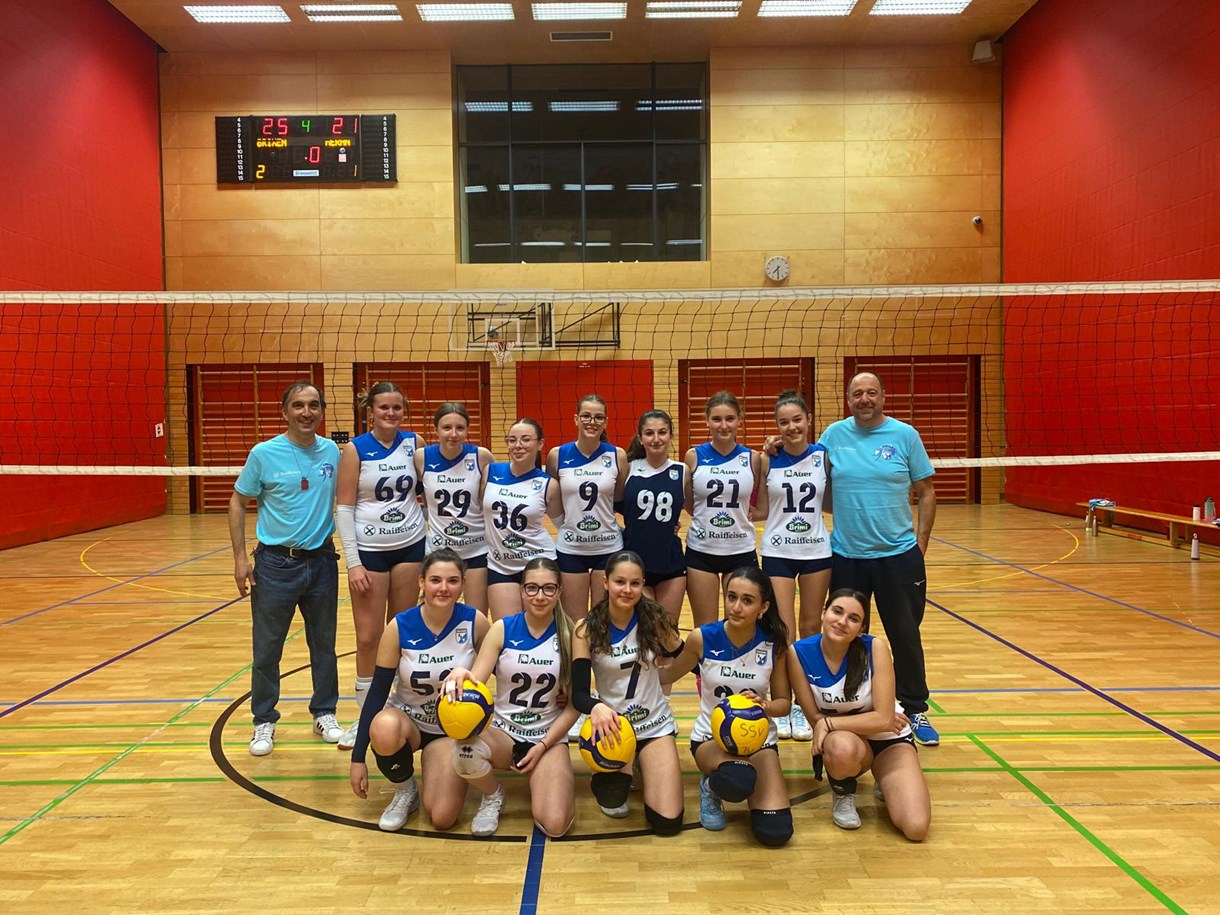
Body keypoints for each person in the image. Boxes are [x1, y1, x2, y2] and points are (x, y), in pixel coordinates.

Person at [818, 372, 939, 745]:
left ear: (883, 396)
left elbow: (926, 491)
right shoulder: (833, 436)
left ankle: (914, 708)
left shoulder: (905, 436)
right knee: (846, 635)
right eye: (857, 393)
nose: (865, 399)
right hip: (847, 556)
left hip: (898, 556)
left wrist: (920, 542)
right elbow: (811, 476)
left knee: (905, 635)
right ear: (848, 399)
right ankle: (852, 705)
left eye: (871, 392)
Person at [228, 381, 343, 757]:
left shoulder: (333, 452)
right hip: (275, 564)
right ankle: (264, 719)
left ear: (321, 411)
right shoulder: (263, 453)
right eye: (298, 405)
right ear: (285, 412)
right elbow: (237, 502)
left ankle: (324, 712)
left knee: (323, 645)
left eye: (313, 405)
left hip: (322, 562)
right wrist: (240, 558)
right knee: (267, 648)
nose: (306, 412)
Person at [347, 549, 491, 832]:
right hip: (408, 721)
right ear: (421, 581)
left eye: (452, 581)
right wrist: (357, 757)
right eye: (435, 580)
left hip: (451, 730)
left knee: (442, 818)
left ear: (463, 584)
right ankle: (405, 789)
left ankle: (437, 765)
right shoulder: (399, 626)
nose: (444, 588)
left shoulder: (475, 622)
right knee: (383, 727)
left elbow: (502, 667)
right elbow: (377, 692)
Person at [441, 557, 578, 837]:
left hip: (547, 736)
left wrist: (543, 745)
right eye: (532, 588)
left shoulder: (571, 634)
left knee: (555, 825)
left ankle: (545, 776)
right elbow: (476, 680)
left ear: (559, 592)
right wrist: (462, 673)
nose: (540, 596)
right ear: (521, 591)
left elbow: (575, 706)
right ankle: (493, 795)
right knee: (464, 750)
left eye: (548, 588)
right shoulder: (502, 629)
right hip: (503, 733)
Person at [662, 566, 793, 847]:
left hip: (759, 742)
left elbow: (784, 704)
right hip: (712, 741)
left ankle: (735, 778)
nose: (736, 607)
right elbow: (667, 675)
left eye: (747, 600)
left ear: (763, 607)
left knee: (775, 832)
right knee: (738, 779)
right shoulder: (703, 638)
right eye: (731, 597)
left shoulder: (774, 644)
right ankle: (712, 784)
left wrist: (766, 706)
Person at [787, 588, 930, 840]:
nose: (842, 622)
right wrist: (865, 722)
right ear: (823, 613)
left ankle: (884, 779)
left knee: (916, 828)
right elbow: (815, 719)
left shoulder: (875, 648)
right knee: (840, 746)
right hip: (848, 744)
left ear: (861, 629)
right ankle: (844, 792)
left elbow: (883, 720)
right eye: (837, 611)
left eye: (853, 618)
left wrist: (832, 723)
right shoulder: (798, 653)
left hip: (889, 740)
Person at [334, 381, 426, 749]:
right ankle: (365, 715)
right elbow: (344, 508)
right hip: (370, 552)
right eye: (384, 407)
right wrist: (353, 562)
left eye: (397, 407)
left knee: (401, 634)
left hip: (410, 548)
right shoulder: (355, 449)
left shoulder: (414, 443)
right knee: (369, 637)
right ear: (370, 411)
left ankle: (401, 706)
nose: (391, 413)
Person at [571, 550, 685, 836]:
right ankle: (628, 765)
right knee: (612, 798)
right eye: (620, 582)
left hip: (654, 725)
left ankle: (643, 764)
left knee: (667, 822)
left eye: (635, 583)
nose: (627, 590)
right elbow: (579, 694)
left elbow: (686, 656)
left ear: (643, 584)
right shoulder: (586, 628)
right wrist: (595, 707)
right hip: (614, 730)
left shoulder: (655, 619)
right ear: (605, 582)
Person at [756, 389, 831, 741]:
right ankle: (782, 703)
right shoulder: (767, 459)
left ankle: (805, 704)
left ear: (809, 420)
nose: (791, 427)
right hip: (778, 550)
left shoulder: (823, 456)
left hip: (816, 551)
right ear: (777, 426)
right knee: (782, 631)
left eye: (797, 420)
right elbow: (757, 505)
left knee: (812, 628)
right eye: (783, 422)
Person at [684, 391, 761, 630]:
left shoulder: (753, 458)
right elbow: (690, 504)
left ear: (740, 420)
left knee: (740, 625)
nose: (723, 425)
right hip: (702, 551)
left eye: (730, 418)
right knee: (705, 628)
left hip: (740, 551)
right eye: (717, 419)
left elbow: (758, 503)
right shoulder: (693, 456)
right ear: (707, 421)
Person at [545, 393, 627, 620]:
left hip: (608, 547)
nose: (592, 422)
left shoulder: (617, 456)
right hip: (571, 549)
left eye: (599, 417)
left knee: (604, 621)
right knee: (574, 622)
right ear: (576, 419)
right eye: (586, 416)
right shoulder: (557, 456)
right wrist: (566, 525)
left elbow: (619, 500)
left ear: (606, 422)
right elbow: (551, 498)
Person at [417, 401, 493, 611]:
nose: (453, 434)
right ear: (436, 430)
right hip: (438, 550)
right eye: (447, 427)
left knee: (475, 615)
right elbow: (424, 498)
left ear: (467, 430)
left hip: (476, 548)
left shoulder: (481, 456)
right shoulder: (422, 457)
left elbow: (487, 501)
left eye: (460, 428)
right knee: (435, 614)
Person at [484, 418, 563, 620]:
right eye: (512, 440)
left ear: (540, 444)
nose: (518, 445)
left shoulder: (548, 484)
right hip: (500, 565)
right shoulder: (490, 472)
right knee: (508, 629)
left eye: (526, 439)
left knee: (541, 629)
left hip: (539, 563)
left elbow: (562, 524)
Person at [621, 410, 687, 630]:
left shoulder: (682, 471)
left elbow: (697, 509)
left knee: (667, 631)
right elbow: (609, 506)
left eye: (662, 432)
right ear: (640, 438)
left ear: (671, 436)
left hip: (670, 562)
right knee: (644, 631)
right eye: (649, 433)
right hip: (635, 563)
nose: (656, 439)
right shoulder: (628, 468)